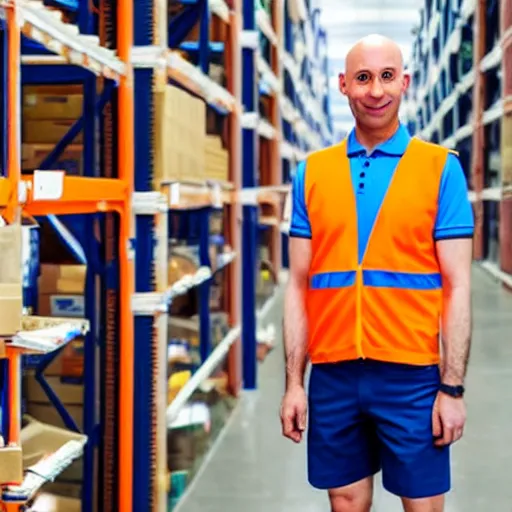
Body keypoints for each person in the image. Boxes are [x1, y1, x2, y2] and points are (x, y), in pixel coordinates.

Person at [279, 34, 474, 512]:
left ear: (404, 82)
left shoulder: (439, 169)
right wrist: (294, 384)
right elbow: (299, 286)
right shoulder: (312, 172)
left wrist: (451, 388)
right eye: (363, 78)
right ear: (343, 85)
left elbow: (458, 286)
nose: (376, 90)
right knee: (345, 500)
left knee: (422, 503)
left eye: (387, 76)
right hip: (334, 374)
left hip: (411, 375)